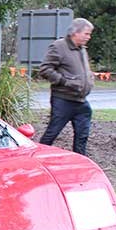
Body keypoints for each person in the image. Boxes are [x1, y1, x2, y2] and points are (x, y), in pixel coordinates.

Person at [38, 17, 96, 156]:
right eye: (86, 33)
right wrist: (65, 81)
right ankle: (38, 157)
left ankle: (81, 162)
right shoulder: (59, 46)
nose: (89, 37)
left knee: (82, 137)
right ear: (75, 32)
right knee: (52, 133)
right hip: (63, 100)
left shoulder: (82, 49)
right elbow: (45, 69)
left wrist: (89, 77)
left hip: (81, 101)